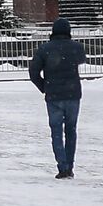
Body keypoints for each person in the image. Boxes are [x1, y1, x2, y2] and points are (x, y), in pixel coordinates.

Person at [29, 18, 89, 179]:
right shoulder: (76, 48)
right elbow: (81, 59)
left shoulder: (44, 49)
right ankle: (70, 164)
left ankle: (62, 166)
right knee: (71, 130)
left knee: (56, 131)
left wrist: (44, 87)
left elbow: (33, 72)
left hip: (54, 95)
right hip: (73, 94)